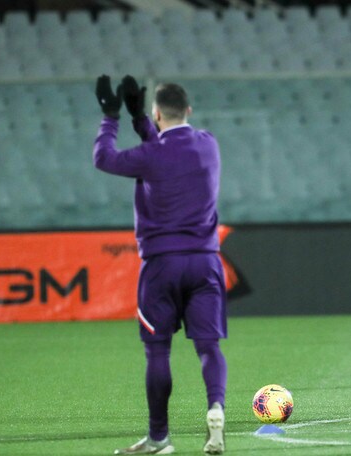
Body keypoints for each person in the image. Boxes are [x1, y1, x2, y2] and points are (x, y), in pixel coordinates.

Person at [94, 75, 227, 455]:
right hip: (205, 262)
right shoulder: (208, 144)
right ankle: (215, 407)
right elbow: (168, 148)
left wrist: (112, 116)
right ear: (188, 110)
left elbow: (104, 157)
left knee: (158, 353)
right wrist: (142, 119)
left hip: (161, 265)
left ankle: (159, 438)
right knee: (208, 347)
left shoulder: (148, 157)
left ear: (158, 114)